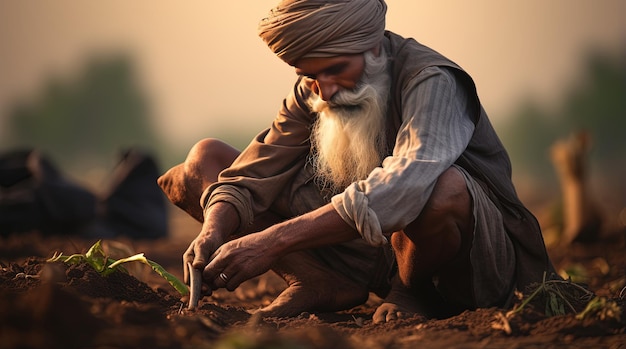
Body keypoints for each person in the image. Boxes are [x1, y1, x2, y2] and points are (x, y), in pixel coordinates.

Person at [158, 0, 556, 323]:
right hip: (370, 248)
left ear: (375, 47)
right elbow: (252, 171)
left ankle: (413, 293)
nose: (325, 91)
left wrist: (272, 242)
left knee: (443, 188)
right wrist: (214, 229)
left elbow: (405, 187)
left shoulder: (432, 79)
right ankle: (319, 281)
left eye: (337, 70)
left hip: (469, 261)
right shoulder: (313, 88)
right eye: (310, 75)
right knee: (202, 163)